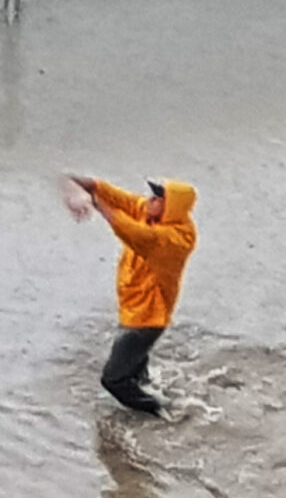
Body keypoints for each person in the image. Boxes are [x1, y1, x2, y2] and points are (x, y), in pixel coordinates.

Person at [68, 174, 199, 416]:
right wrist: (84, 184)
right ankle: (148, 392)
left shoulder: (174, 239)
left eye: (158, 198)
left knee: (114, 380)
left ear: (170, 208)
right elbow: (122, 200)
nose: (149, 199)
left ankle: (162, 410)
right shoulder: (152, 214)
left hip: (147, 319)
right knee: (136, 375)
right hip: (133, 309)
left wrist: (96, 203)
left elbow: (131, 232)